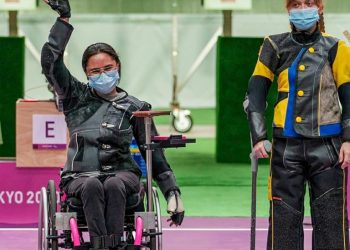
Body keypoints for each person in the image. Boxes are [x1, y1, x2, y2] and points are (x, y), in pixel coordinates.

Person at [41, 1, 184, 249]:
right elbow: (50, 65)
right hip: (79, 176)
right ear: (86, 74)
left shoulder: (136, 106)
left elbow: (155, 153)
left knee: (115, 183)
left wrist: (172, 192)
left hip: (123, 174)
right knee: (93, 184)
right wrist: (63, 19)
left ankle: (112, 244)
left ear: (118, 66)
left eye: (108, 68)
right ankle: (103, 245)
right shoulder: (74, 97)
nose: (103, 74)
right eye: (95, 71)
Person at [245, 0, 350, 249]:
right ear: (288, 9)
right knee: (284, 217)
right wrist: (258, 136)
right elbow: (255, 92)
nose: (303, 8)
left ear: (320, 8)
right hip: (285, 147)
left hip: (328, 147)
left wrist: (348, 139)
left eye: (309, 3)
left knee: (331, 219)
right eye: (297, 4)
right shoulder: (273, 44)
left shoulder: (336, 47)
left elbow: (348, 94)